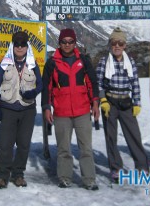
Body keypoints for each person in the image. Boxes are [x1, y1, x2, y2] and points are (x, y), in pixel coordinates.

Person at [41, 28, 100, 190]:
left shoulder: (84, 60)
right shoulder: (52, 62)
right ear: (59, 43)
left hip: (82, 110)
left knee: (86, 148)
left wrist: (95, 102)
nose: (67, 45)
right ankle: (65, 177)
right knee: (63, 148)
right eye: (64, 42)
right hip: (61, 112)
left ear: (75, 43)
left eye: (70, 42)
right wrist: (46, 107)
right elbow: (46, 87)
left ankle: (89, 179)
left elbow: (92, 83)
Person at [96, 27, 149, 183]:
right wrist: (103, 100)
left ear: (125, 45)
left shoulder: (130, 61)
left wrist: (137, 102)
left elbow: (135, 84)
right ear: (110, 44)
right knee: (111, 137)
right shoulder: (104, 62)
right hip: (110, 103)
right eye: (114, 42)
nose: (117, 46)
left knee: (134, 136)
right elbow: (98, 83)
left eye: (120, 43)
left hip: (126, 102)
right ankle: (116, 168)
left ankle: (142, 167)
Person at [0, 31, 42, 189]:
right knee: (5, 144)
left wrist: (34, 92)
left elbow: (41, 83)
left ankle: (18, 174)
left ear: (27, 46)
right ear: (12, 46)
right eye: (17, 44)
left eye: (23, 44)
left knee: (24, 144)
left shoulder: (33, 64)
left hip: (28, 109)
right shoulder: (5, 62)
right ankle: (2, 176)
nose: (20, 47)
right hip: (8, 108)